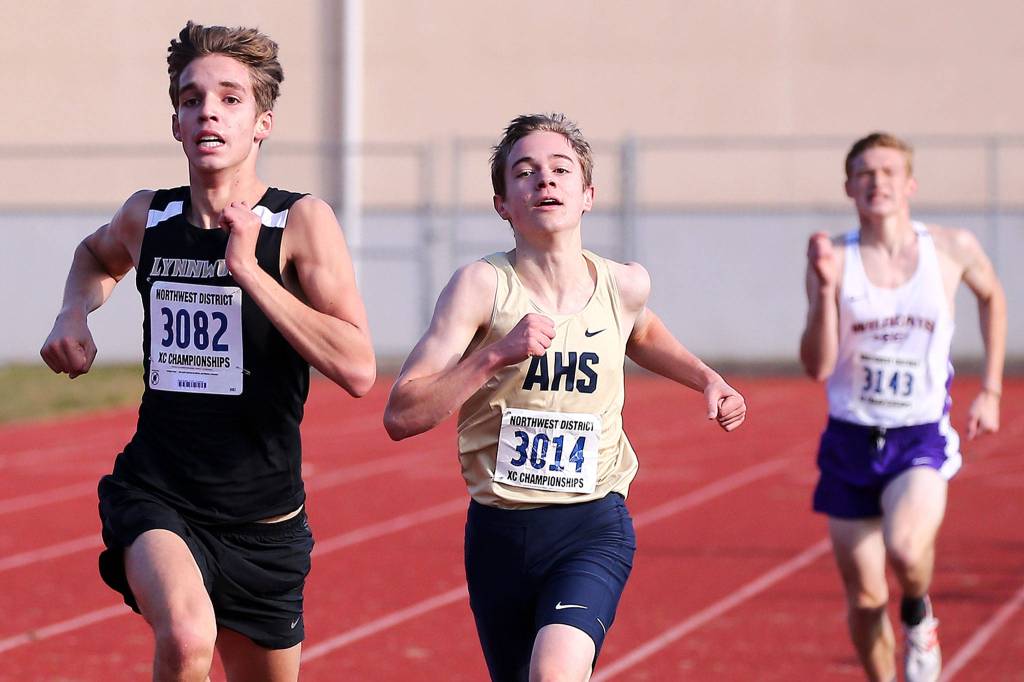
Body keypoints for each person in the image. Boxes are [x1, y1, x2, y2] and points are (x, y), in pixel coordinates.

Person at [39, 21, 375, 682]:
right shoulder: (149, 216)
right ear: (176, 124)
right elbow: (94, 257)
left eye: (229, 98)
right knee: (189, 637)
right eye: (192, 99)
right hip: (161, 494)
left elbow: (359, 366)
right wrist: (72, 310)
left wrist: (250, 272)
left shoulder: (300, 222)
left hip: (264, 520)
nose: (208, 112)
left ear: (262, 123)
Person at [383, 113, 746, 682]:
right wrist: (494, 355)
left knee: (554, 674)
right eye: (524, 173)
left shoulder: (623, 285)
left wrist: (706, 378)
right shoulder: (480, 287)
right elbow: (402, 412)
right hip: (498, 533)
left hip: (591, 525)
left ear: (587, 194)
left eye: (560, 170)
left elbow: (643, 334)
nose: (544, 182)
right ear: (503, 202)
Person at [800, 132, 1006, 682]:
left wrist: (990, 387)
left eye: (888, 171)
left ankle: (918, 611)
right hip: (850, 439)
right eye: (865, 173)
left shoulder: (951, 248)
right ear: (849, 186)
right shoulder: (834, 258)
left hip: (918, 436)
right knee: (866, 597)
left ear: (909, 183)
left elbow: (993, 295)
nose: (877, 182)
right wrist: (822, 293)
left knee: (906, 548)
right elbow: (817, 365)